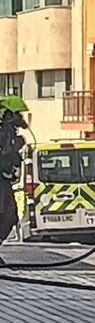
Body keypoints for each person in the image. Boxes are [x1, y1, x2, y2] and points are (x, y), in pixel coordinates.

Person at [0, 95, 28, 254]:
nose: (20, 117)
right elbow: (6, 155)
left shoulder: (8, 132)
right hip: (1, 180)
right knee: (8, 214)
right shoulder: (4, 133)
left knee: (10, 216)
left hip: (4, 180)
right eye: (17, 114)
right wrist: (18, 145)